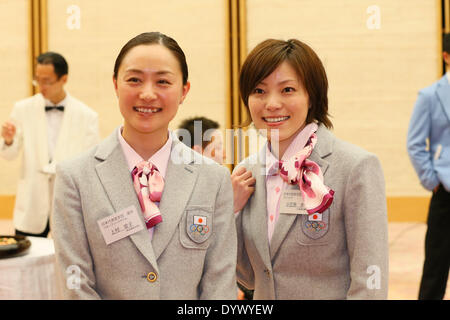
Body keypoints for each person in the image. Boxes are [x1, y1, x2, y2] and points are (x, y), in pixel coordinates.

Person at [51, 32, 237, 299]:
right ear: (116, 85)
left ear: (184, 90)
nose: (147, 94)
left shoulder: (213, 179)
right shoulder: (75, 177)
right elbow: (74, 281)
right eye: (134, 80)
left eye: (163, 81)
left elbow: (220, 282)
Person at [231, 38, 389, 299]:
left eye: (287, 90)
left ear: (312, 96)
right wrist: (231, 211)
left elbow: (370, 277)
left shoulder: (355, 168)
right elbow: (248, 276)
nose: (271, 103)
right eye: (259, 91)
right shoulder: (247, 173)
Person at [0, 52, 99, 238]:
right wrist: (8, 140)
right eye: (38, 80)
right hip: (31, 202)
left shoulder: (87, 116)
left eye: (47, 81)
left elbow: (90, 163)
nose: (41, 86)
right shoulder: (22, 109)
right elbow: (9, 155)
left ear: (64, 79)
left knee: (66, 261)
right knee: (25, 260)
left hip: (67, 202)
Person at [407, 33, 450, 300]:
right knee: (436, 265)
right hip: (445, 193)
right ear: (446, 57)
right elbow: (414, 143)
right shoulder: (430, 96)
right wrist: (433, 181)